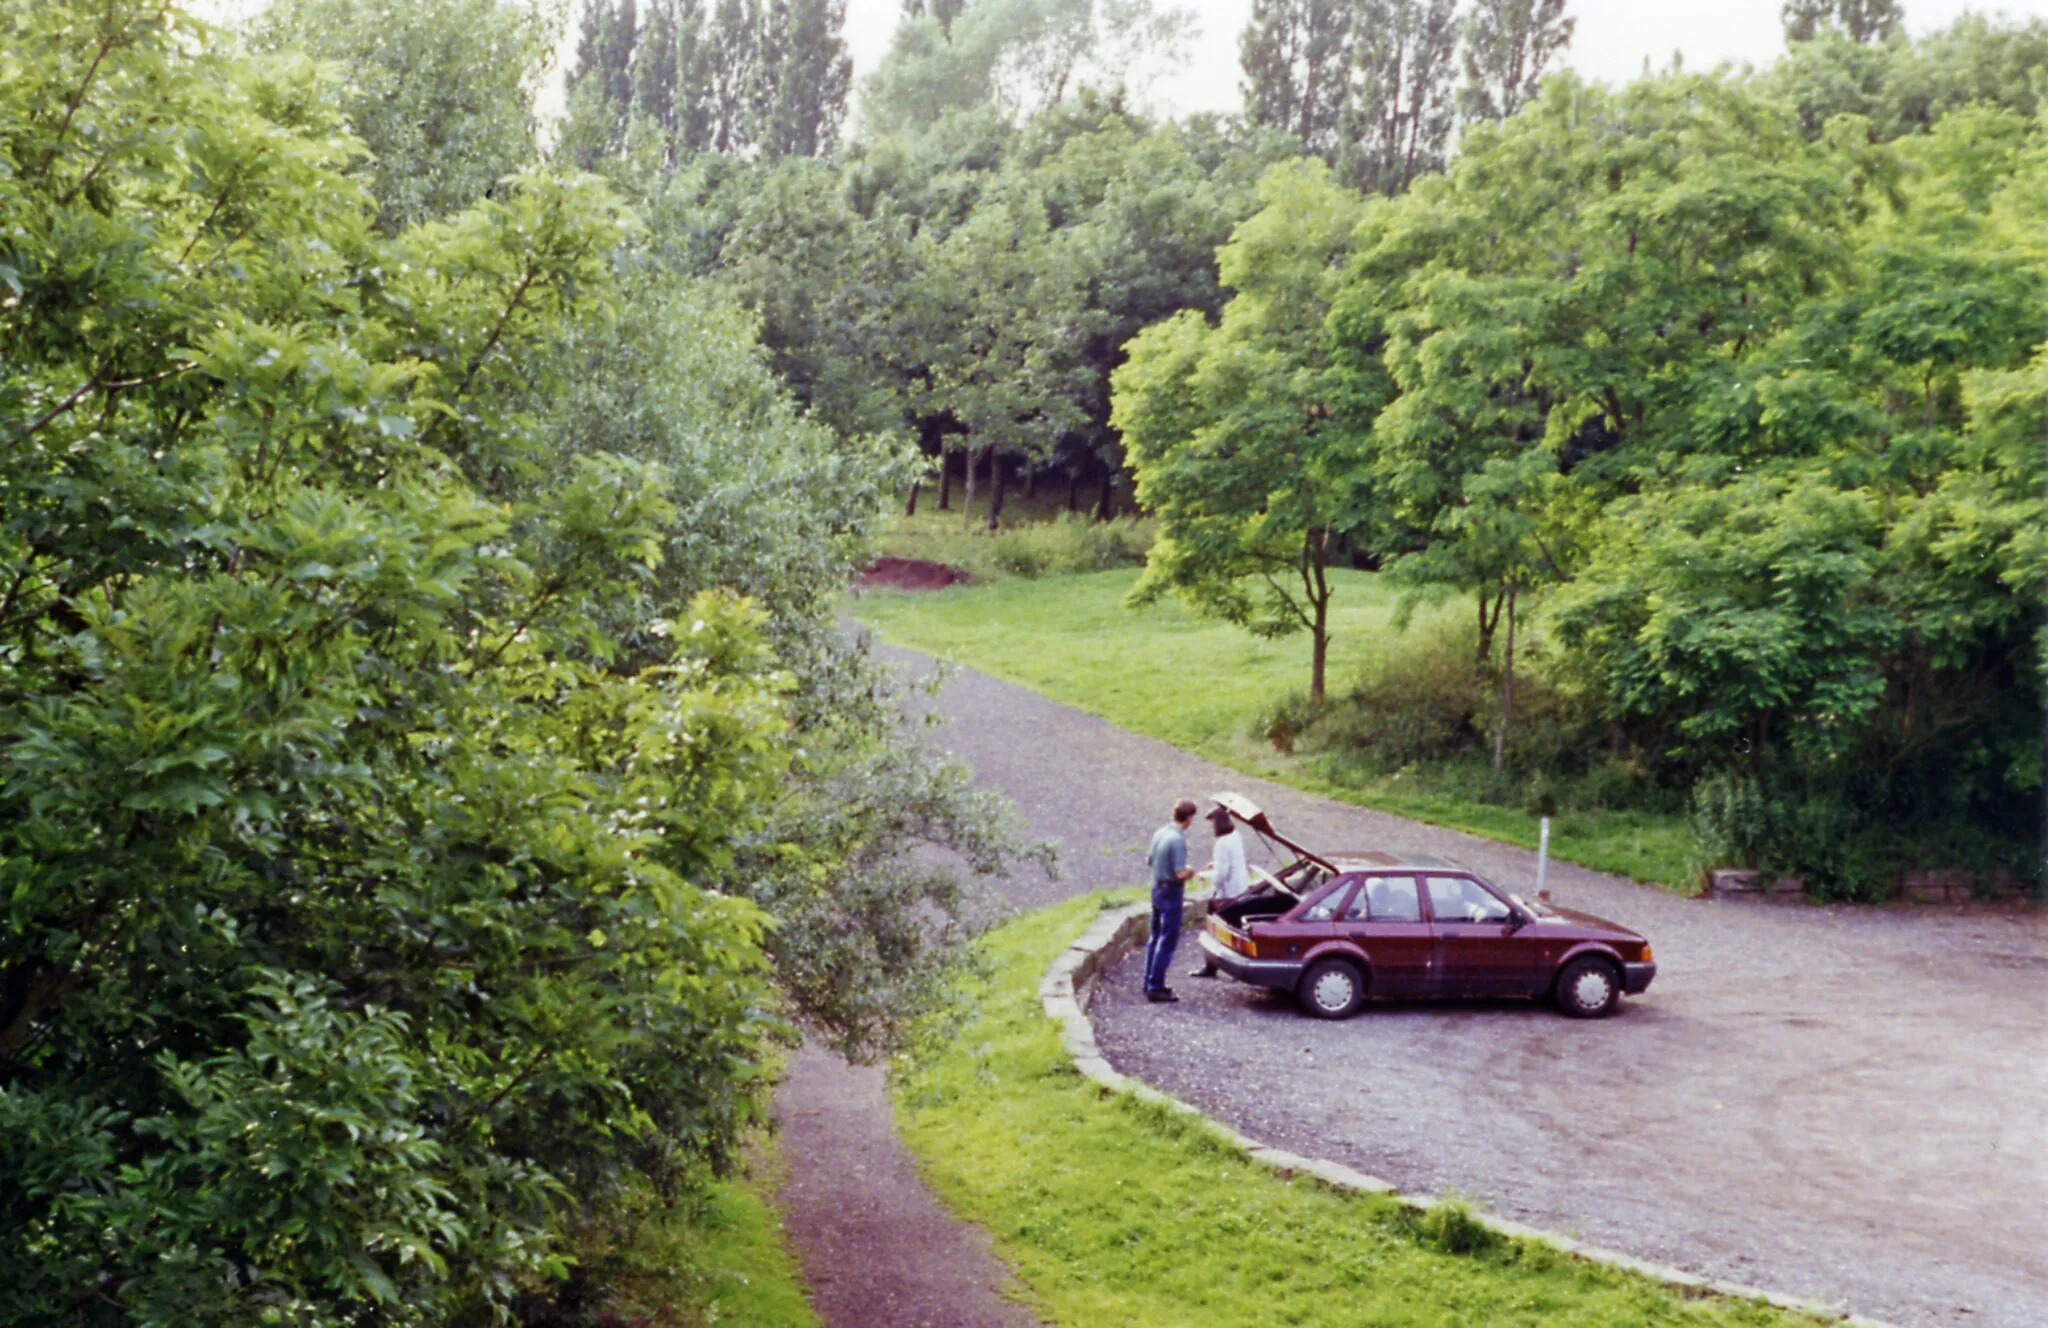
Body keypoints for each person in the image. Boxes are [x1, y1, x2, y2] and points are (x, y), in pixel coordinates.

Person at [1143, 799, 1198, 1002]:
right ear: (1189, 817)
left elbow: (1148, 860)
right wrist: (1191, 871)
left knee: (1155, 936)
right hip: (1171, 891)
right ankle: (1156, 986)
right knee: (1168, 940)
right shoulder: (1177, 840)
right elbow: (1179, 873)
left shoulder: (1160, 833)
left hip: (1157, 887)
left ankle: (1148, 980)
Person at [1188, 805, 1248, 978]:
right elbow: (1230, 863)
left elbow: (1222, 875)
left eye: (1211, 823)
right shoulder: (1235, 837)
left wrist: (1204, 875)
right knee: (1236, 930)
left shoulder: (1221, 843)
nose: (1210, 827)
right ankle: (1234, 969)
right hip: (1239, 890)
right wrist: (1216, 864)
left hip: (1226, 893)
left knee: (1212, 929)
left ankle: (1211, 967)